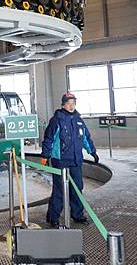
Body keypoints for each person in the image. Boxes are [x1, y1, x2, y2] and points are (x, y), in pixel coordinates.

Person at [40, 91, 98, 227]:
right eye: (68, 104)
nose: (71, 106)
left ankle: (77, 214)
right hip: (60, 161)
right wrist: (45, 155)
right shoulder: (57, 120)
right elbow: (49, 138)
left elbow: (85, 138)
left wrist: (92, 152)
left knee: (77, 188)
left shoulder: (79, 120)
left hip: (76, 161)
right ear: (63, 105)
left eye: (73, 104)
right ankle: (53, 217)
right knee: (59, 190)